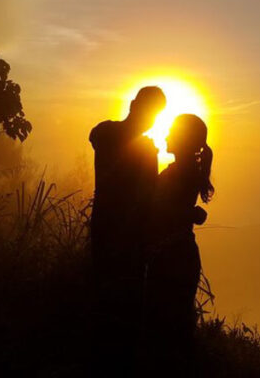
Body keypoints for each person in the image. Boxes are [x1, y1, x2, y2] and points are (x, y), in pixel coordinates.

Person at [88, 85, 166, 373]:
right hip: (130, 238)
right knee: (126, 309)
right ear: (135, 106)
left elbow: (96, 135)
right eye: (154, 113)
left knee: (104, 299)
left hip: (104, 229)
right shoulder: (144, 151)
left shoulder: (105, 133)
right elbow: (150, 199)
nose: (153, 120)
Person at [144, 114, 214, 374]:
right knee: (175, 329)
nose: (166, 134)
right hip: (177, 254)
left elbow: (164, 209)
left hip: (173, 257)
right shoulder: (184, 171)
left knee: (166, 329)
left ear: (185, 140)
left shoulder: (180, 173)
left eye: (173, 130)